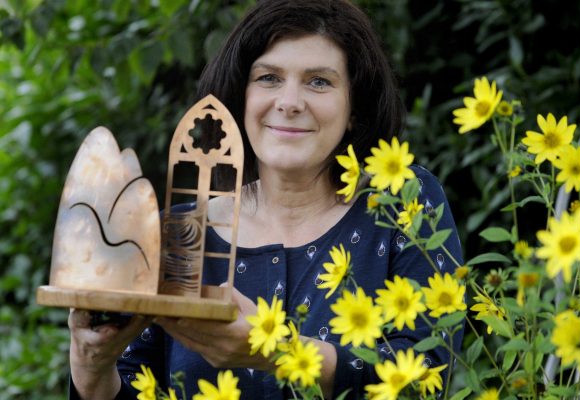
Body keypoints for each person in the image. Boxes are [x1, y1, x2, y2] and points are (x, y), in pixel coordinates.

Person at [68, 0, 464, 399]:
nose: (290, 102)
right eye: (269, 78)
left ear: (354, 111)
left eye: (319, 82)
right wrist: (91, 368)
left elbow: (427, 375)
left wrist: (281, 352)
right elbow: (132, 383)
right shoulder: (176, 236)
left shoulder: (401, 205)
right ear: (240, 99)